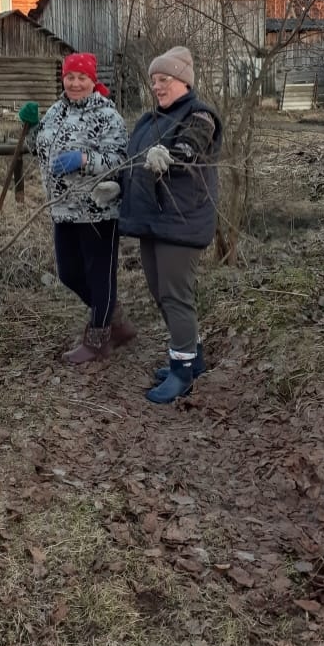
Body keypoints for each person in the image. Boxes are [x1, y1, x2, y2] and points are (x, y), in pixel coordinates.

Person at [119, 46, 222, 403]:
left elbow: (188, 150)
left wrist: (171, 156)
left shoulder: (200, 116)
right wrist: (114, 187)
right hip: (151, 219)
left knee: (176, 298)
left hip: (182, 221)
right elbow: (135, 163)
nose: (158, 87)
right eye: (154, 81)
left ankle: (181, 374)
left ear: (183, 81)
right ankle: (192, 358)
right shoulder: (150, 121)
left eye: (165, 80)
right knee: (162, 294)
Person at [19, 52, 135, 364]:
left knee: (100, 276)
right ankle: (114, 319)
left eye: (82, 77)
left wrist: (84, 161)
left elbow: (121, 160)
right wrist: (29, 128)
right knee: (69, 273)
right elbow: (40, 152)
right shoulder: (56, 112)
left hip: (97, 209)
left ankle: (99, 339)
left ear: (93, 80)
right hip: (63, 209)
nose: (75, 83)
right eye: (70, 76)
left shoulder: (107, 116)